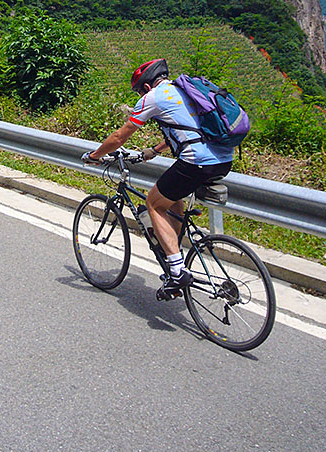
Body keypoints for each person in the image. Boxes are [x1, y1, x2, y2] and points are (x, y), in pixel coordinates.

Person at [82, 58, 233, 297]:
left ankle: (177, 272)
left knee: (154, 204)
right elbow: (188, 129)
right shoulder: (183, 90)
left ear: (145, 87)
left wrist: (95, 155)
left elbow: (120, 136)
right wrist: (153, 151)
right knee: (173, 199)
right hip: (223, 159)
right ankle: (175, 254)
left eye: (139, 91)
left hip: (196, 162)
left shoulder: (151, 98)